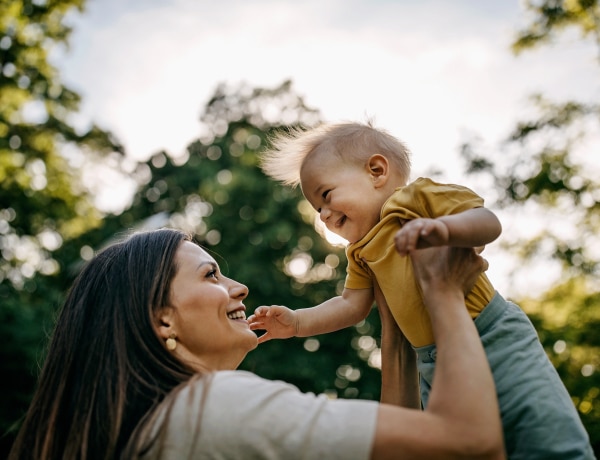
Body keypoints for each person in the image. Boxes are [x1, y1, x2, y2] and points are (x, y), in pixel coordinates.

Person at [250, 121, 596, 460]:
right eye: (317, 209)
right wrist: (297, 322)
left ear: (376, 171)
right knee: (466, 445)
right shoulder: (360, 251)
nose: (324, 215)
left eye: (326, 195)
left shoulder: (415, 201)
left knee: (540, 428)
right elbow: (350, 305)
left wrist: (445, 230)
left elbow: (488, 221)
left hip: (492, 334)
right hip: (432, 363)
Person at [8, 228, 505, 460]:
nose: (239, 288)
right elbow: (468, 440)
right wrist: (442, 293)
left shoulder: (152, 431)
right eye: (211, 275)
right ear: (162, 321)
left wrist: (399, 314)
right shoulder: (214, 407)